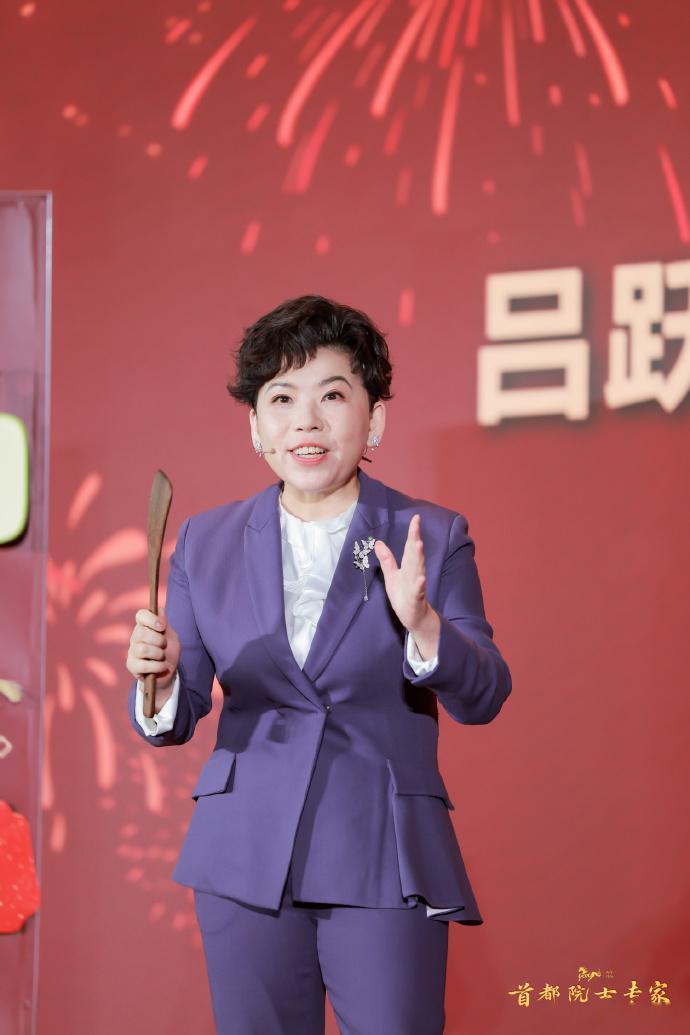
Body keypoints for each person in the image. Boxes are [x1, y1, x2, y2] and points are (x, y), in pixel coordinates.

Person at [126, 294, 512, 1034]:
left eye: (332, 395)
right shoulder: (206, 542)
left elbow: (486, 693)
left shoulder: (428, 533)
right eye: (281, 399)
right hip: (243, 854)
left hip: (383, 850)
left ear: (374, 419)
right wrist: (162, 679)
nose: (306, 420)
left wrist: (424, 627)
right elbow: (174, 715)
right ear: (255, 427)